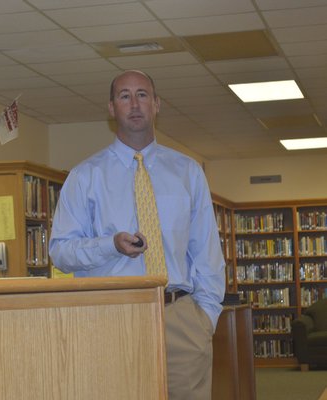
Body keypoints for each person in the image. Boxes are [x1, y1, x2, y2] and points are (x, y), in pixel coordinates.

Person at [49, 70, 225, 400]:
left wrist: (206, 317)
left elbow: (206, 250)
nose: (134, 103)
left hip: (180, 318)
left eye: (142, 95)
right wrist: (109, 245)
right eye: (124, 96)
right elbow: (60, 251)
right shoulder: (85, 176)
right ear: (111, 108)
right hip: (109, 317)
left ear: (157, 105)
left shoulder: (187, 172)